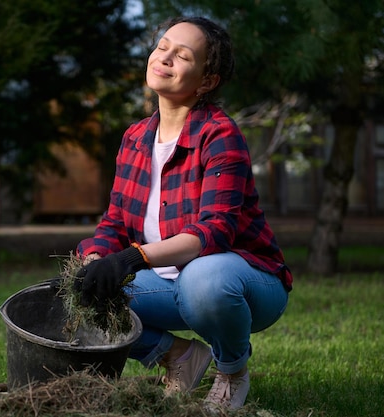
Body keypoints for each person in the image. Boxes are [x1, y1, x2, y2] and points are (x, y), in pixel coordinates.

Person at [75, 16, 292, 410]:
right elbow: (114, 223)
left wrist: (132, 257)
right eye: (163, 47)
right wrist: (95, 260)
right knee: (81, 290)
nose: (165, 57)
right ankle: (177, 356)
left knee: (203, 278)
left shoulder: (219, 134)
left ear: (207, 81)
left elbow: (213, 233)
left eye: (183, 55)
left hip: (242, 284)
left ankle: (231, 371)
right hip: (169, 285)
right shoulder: (135, 138)